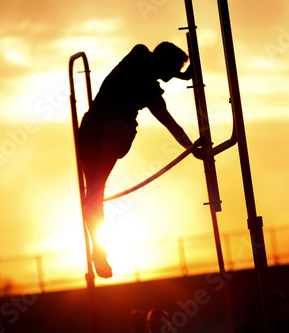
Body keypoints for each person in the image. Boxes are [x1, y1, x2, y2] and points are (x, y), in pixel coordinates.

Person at [77, 42, 202, 278]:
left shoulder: (140, 55)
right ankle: (98, 248)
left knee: (95, 192)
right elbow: (170, 123)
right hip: (106, 130)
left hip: (94, 131)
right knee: (96, 192)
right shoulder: (149, 86)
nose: (170, 77)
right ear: (165, 64)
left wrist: (181, 74)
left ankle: (98, 246)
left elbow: (158, 69)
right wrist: (191, 147)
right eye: (173, 69)